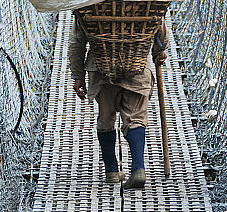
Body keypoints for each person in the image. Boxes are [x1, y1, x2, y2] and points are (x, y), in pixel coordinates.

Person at [69, 18, 168, 189]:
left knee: (106, 117)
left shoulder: (91, 0)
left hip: (101, 68)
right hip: (139, 65)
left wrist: (78, 74)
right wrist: (158, 51)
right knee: (136, 118)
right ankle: (138, 169)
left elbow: (77, 41)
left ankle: (111, 171)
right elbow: (160, 27)